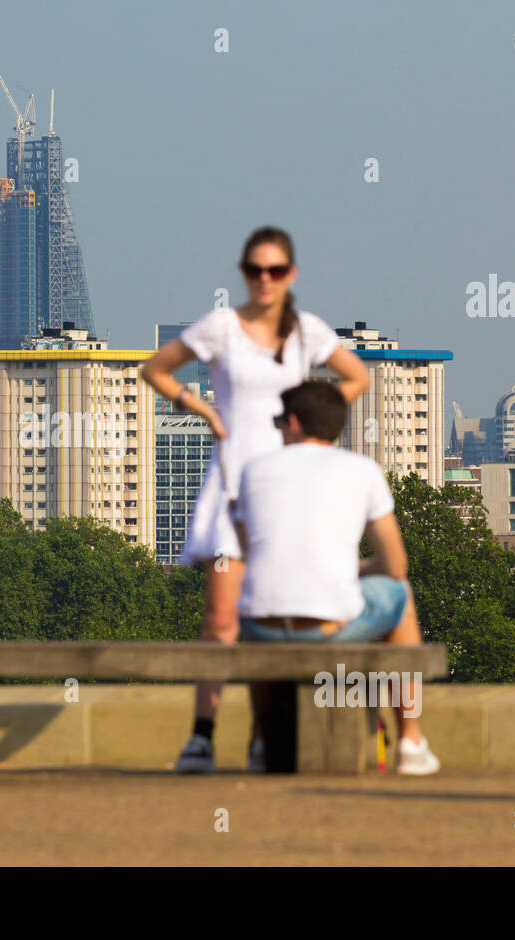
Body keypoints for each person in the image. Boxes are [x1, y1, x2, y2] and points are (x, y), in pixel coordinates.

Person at [141, 226, 369, 773]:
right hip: (234, 484)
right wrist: (204, 410)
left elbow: (356, 376)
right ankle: (202, 734)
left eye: (275, 270)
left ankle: (266, 738)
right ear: (244, 273)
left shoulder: (307, 332)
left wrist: (317, 421)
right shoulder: (222, 326)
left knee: (275, 612)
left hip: (291, 490)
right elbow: (155, 368)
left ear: (290, 275)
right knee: (222, 618)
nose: (264, 280)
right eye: (254, 270)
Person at [231, 380, 440, 775]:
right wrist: (353, 570)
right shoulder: (362, 471)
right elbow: (395, 566)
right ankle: (411, 740)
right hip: (328, 627)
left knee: (263, 601)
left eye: (279, 421)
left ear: (293, 423)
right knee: (401, 594)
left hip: (262, 628)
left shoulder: (253, 470)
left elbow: (249, 555)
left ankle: (260, 742)